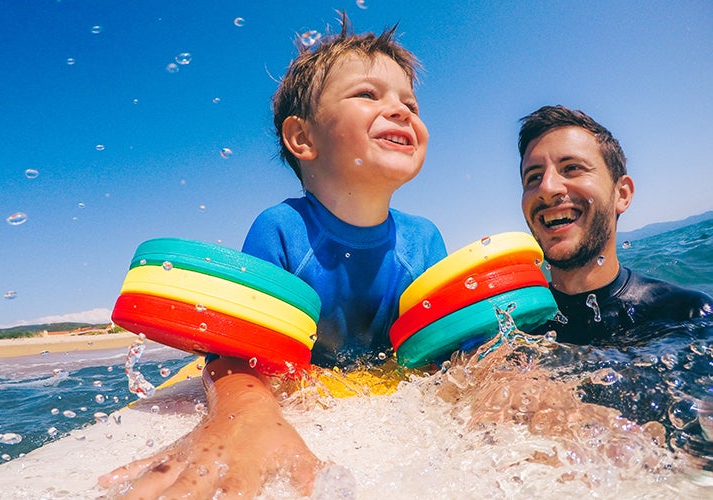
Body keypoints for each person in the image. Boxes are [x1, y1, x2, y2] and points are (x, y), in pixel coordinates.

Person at [99, 17, 446, 498]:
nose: (401, 111)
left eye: (410, 103)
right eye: (369, 95)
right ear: (302, 138)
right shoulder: (282, 230)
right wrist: (243, 414)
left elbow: (448, 354)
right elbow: (236, 354)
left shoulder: (424, 241)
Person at [518, 105, 712, 345]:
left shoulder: (687, 315)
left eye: (572, 168)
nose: (547, 188)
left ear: (622, 194)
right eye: (533, 177)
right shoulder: (512, 329)